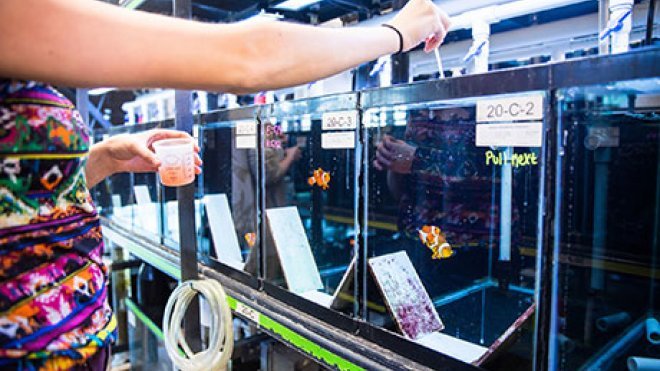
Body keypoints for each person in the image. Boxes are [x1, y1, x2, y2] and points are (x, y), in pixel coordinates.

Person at [0, 0, 451, 369]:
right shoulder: (17, 18)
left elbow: (19, 197)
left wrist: (101, 158)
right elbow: (252, 61)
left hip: (68, 341)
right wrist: (397, 32)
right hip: (30, 347)